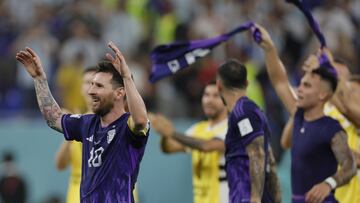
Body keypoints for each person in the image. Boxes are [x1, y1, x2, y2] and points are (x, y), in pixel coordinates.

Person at [15, 42, 150, 203]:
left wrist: (127, 77)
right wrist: (39, 79)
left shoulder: (127, 126)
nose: (91, 90)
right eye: (91, 84)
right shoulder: (87, 123)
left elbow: (141, 121)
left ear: (119, 93)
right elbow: (54, 119)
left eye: (98, 86)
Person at [252, 24, 356, 203]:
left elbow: (350, 166)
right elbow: (280, 81)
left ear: (323, 94)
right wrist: (269, 49)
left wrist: (328, 184)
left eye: (307, 85)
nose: (299, 89)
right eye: (301, 83)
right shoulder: (299, 116)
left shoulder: (331, 127)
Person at [280, 59, 360, 203]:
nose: (347, 92)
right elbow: (285, 143)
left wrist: (329, 182)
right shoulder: (305, 116)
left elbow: (351, 164)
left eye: (352, 91)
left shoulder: (335, 126)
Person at [149, 81, 229, 203]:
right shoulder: (198, 129)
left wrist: (172, 133)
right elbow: (168, 148)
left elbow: (207, 146)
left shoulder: (231, 127)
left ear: (226, 100)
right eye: (206, 95)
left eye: (216, 96)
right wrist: (164, 133)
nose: (209, 100)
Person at [216, 59, 281, 203]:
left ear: (219, 85)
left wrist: (255, 198)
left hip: (246, 197)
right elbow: (269, 157)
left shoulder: (243, 112)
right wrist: (276, 196)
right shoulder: (254, 111)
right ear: (246, 83)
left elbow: (257, 153)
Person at [55, 67, 96, 203]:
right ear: (80, 89)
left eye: (95, 83)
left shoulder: (113, 121)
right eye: (86, 82)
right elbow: (60, 165)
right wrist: (71, 133)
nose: (90, 87)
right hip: (77, 193)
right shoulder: (76, 122)